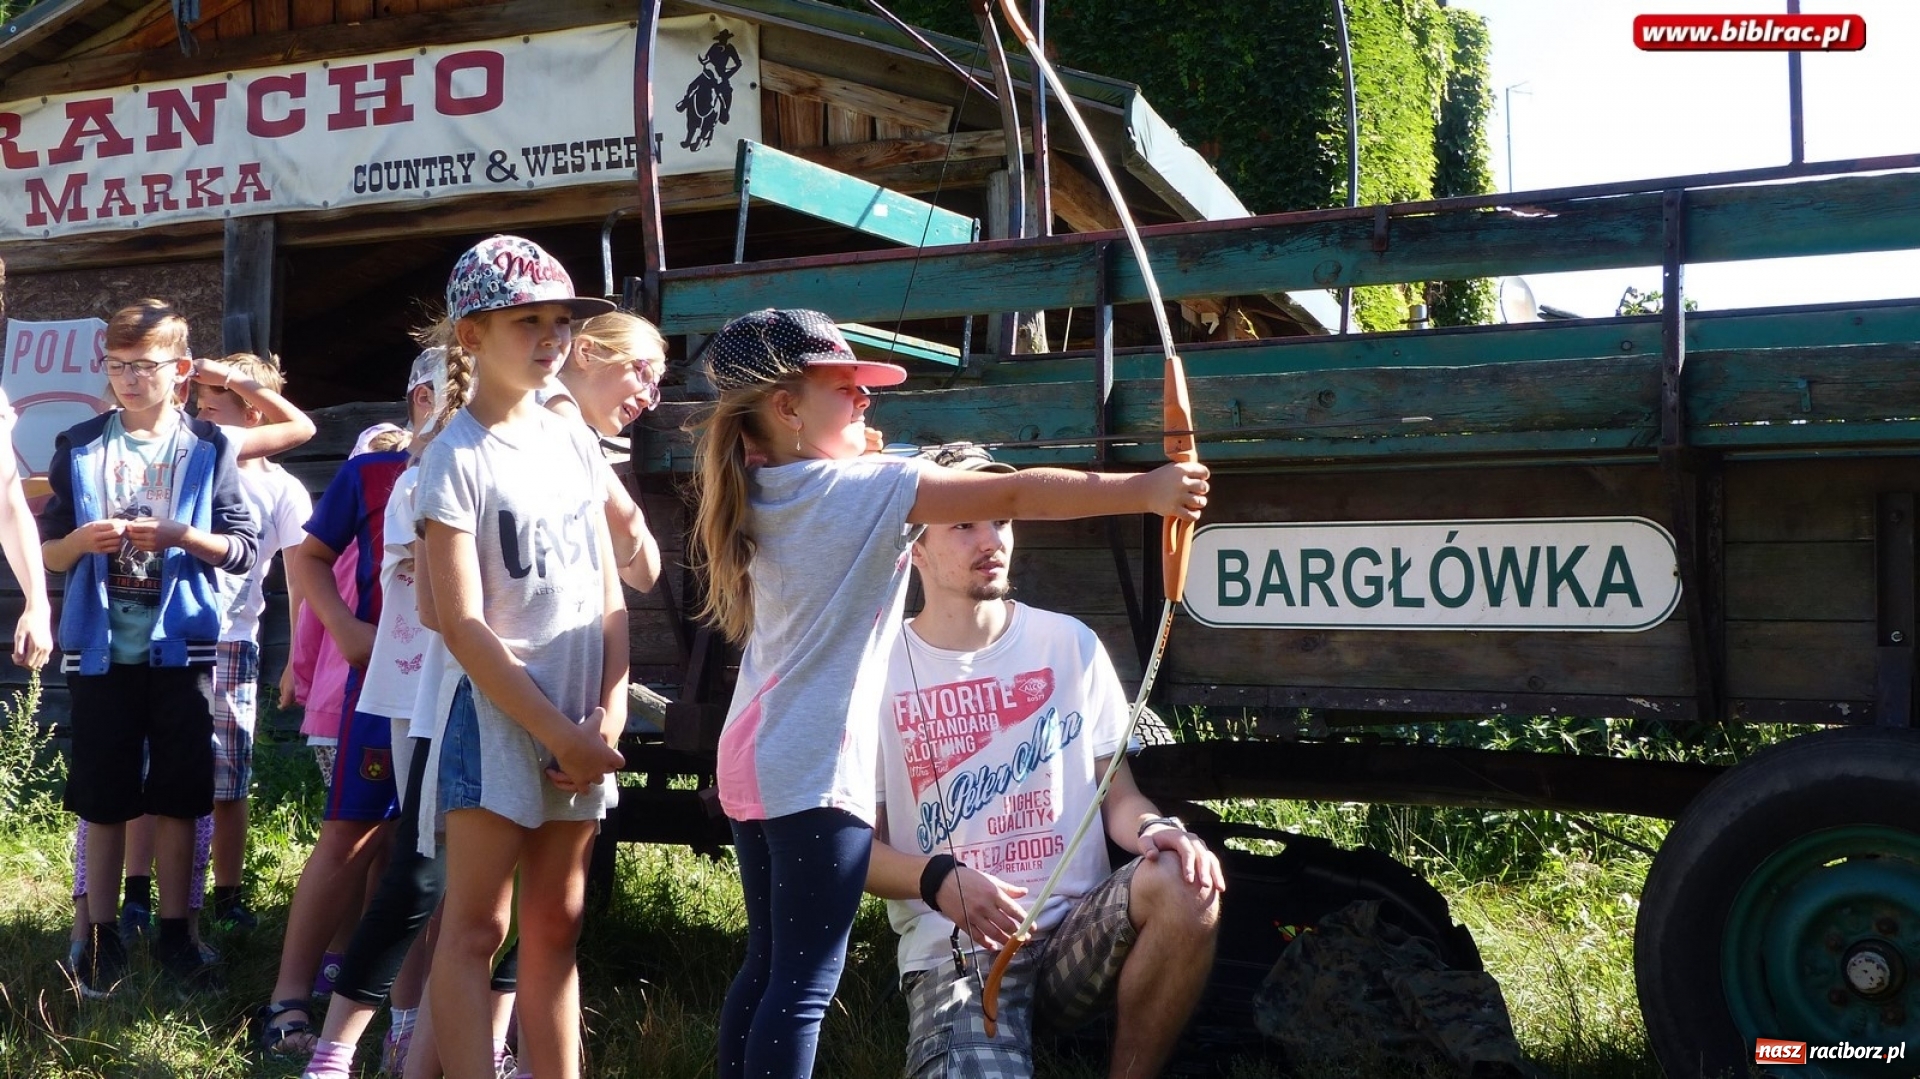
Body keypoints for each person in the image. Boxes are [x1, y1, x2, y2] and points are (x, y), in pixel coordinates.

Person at [691, 308, 1209, 1079]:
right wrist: (1148, 488)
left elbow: (846, 469)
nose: (866, 402)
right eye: (846, 388)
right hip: (811, 768)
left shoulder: (765, 480)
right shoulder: (859, 490)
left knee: (766, 965)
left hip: (756, 760)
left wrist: (845, 447)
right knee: (803, 985)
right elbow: (1024, 493)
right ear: (787, 407)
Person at [867, 442, 1225, 1079]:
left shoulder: (1068, 643)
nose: (992, 540)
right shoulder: (875, 671)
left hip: (1075, 936)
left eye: (1000, 520)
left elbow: (1118, 795)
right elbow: (854, 852)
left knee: (1185, 883)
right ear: (915, 549)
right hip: (960, 954)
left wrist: (1156, 830)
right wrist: (937, 880)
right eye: (964, 523)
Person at [417, 234, 630, 1079]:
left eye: (561, 322)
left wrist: (604, 716)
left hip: (582, 718)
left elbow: (611, 591)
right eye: (527, 320)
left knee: (557, 923)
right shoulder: (454, 456)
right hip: (502, 723)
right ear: (469, 335)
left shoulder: (573, 438)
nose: (551, 338)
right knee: (475, 928)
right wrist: (553, 730)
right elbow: (461, 623)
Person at [39, 299, 258, 997]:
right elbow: (47, 551)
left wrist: (183, 537)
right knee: (103, 799)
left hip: (181, 649)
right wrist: (81, 544)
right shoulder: (78, 444)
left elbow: (243, 548)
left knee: (180, 797)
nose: (130, 379)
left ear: (182, 370)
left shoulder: (210, 446)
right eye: (117, 366)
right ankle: (97, 940)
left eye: (145, 366)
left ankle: (174, 935)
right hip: (101, 653)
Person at [256, 384, 424, 1053]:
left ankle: (411, 1023)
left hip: (470, 692)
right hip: (384, 692)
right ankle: (288, 997)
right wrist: (346, 631)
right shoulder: (371, 472)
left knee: (429, 857)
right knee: (352, 838)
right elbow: (313, 559)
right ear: (420, 399)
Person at [192, 351, 317, 931]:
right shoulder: (195, 459)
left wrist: (298, 659)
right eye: (199, 404)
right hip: (176, 635)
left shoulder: (287, 490)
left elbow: (302, 580)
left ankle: (228, 894)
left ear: (254, 412)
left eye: (213, 403)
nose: (200, 412)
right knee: (159, 771)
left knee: (231, 774)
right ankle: (161, 896)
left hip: (235, 641)